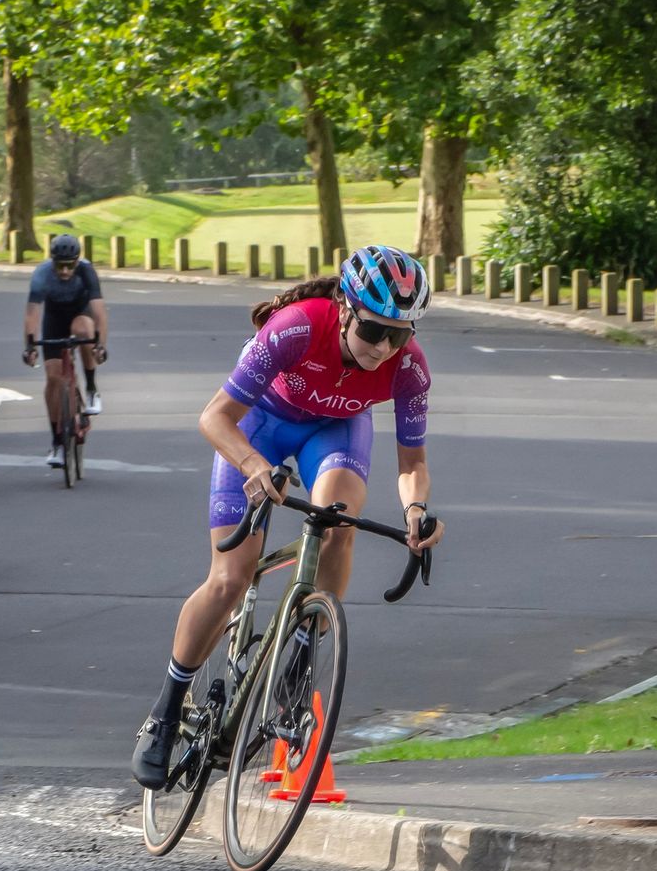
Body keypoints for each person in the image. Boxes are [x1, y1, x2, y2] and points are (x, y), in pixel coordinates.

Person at [130, 244, 446, 789]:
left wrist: (416, 509)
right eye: (374, 331)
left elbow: (412, 462)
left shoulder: (408, 366)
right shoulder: (296, 327)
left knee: (339, 518)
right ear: (345, 310)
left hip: (336, 430)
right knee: (230, 578)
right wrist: (254, 466)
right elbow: (215, 417)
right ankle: (165, 709)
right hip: (259, 427)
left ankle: (301, 650)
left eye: (400, 334)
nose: (385, 348)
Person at [23, 233, 108, 467]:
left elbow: (99, 312)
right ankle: (57, 441)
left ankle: (91, 387)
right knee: (53, 379)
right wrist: (30, 347)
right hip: (54, 319)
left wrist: (100, 345)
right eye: (59, 265)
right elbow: (32, 314)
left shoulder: (86, 272)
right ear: (52, 262)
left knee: (82, 330)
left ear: (77, 262)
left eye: (69, 265)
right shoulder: (41, 274)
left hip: (81, 313)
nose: (64, 271)